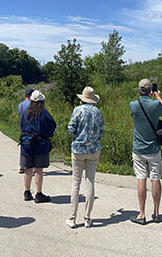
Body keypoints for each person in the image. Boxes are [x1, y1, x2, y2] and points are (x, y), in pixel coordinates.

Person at [129, 78, 162, 225]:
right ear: (151, 90)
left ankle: (142, 214)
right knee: (155, 178)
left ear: (139, 90)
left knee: (141, 178)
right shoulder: (155, 104)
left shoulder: (133, 105)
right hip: (153, 148)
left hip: (138, 148)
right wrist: (157, 96)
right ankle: (156, 213)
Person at [66, 86, 104, 228]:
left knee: (76, 182)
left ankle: (72, 218)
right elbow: (101, 131)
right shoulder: (98, 112)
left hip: (78, 149)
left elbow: (71, 129)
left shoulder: (78, 110)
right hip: (94, 149)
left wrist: (77, 134)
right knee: (90, 182)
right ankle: (87, 218)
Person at [20, 90, 56, 203]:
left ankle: (27, 192)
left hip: (26, 143)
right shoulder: (43, 113)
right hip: (40, 144)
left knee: (27, 169)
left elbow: (21, 125)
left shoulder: (25, 113)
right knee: (39, 169)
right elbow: (52, 126)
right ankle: (39, 194)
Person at [18, 88, 34, 174]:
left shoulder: (20, 105)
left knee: (23, 146)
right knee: (33, 146)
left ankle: (21, 166)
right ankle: (33, 167)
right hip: (32, 127)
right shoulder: (33, 105)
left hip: (23, 128)